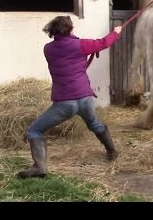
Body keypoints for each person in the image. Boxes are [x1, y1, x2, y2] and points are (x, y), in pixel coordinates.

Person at [18, 15, 123, 179]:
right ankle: (112, 151)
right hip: (85, 98)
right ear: (70, 29)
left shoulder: (48, 49)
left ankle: (39, 167)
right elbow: (103, 43)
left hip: (64, 103)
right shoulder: (81, 45)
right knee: (95, 124)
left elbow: (69, 52)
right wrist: (116, 32)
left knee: (35, 130)